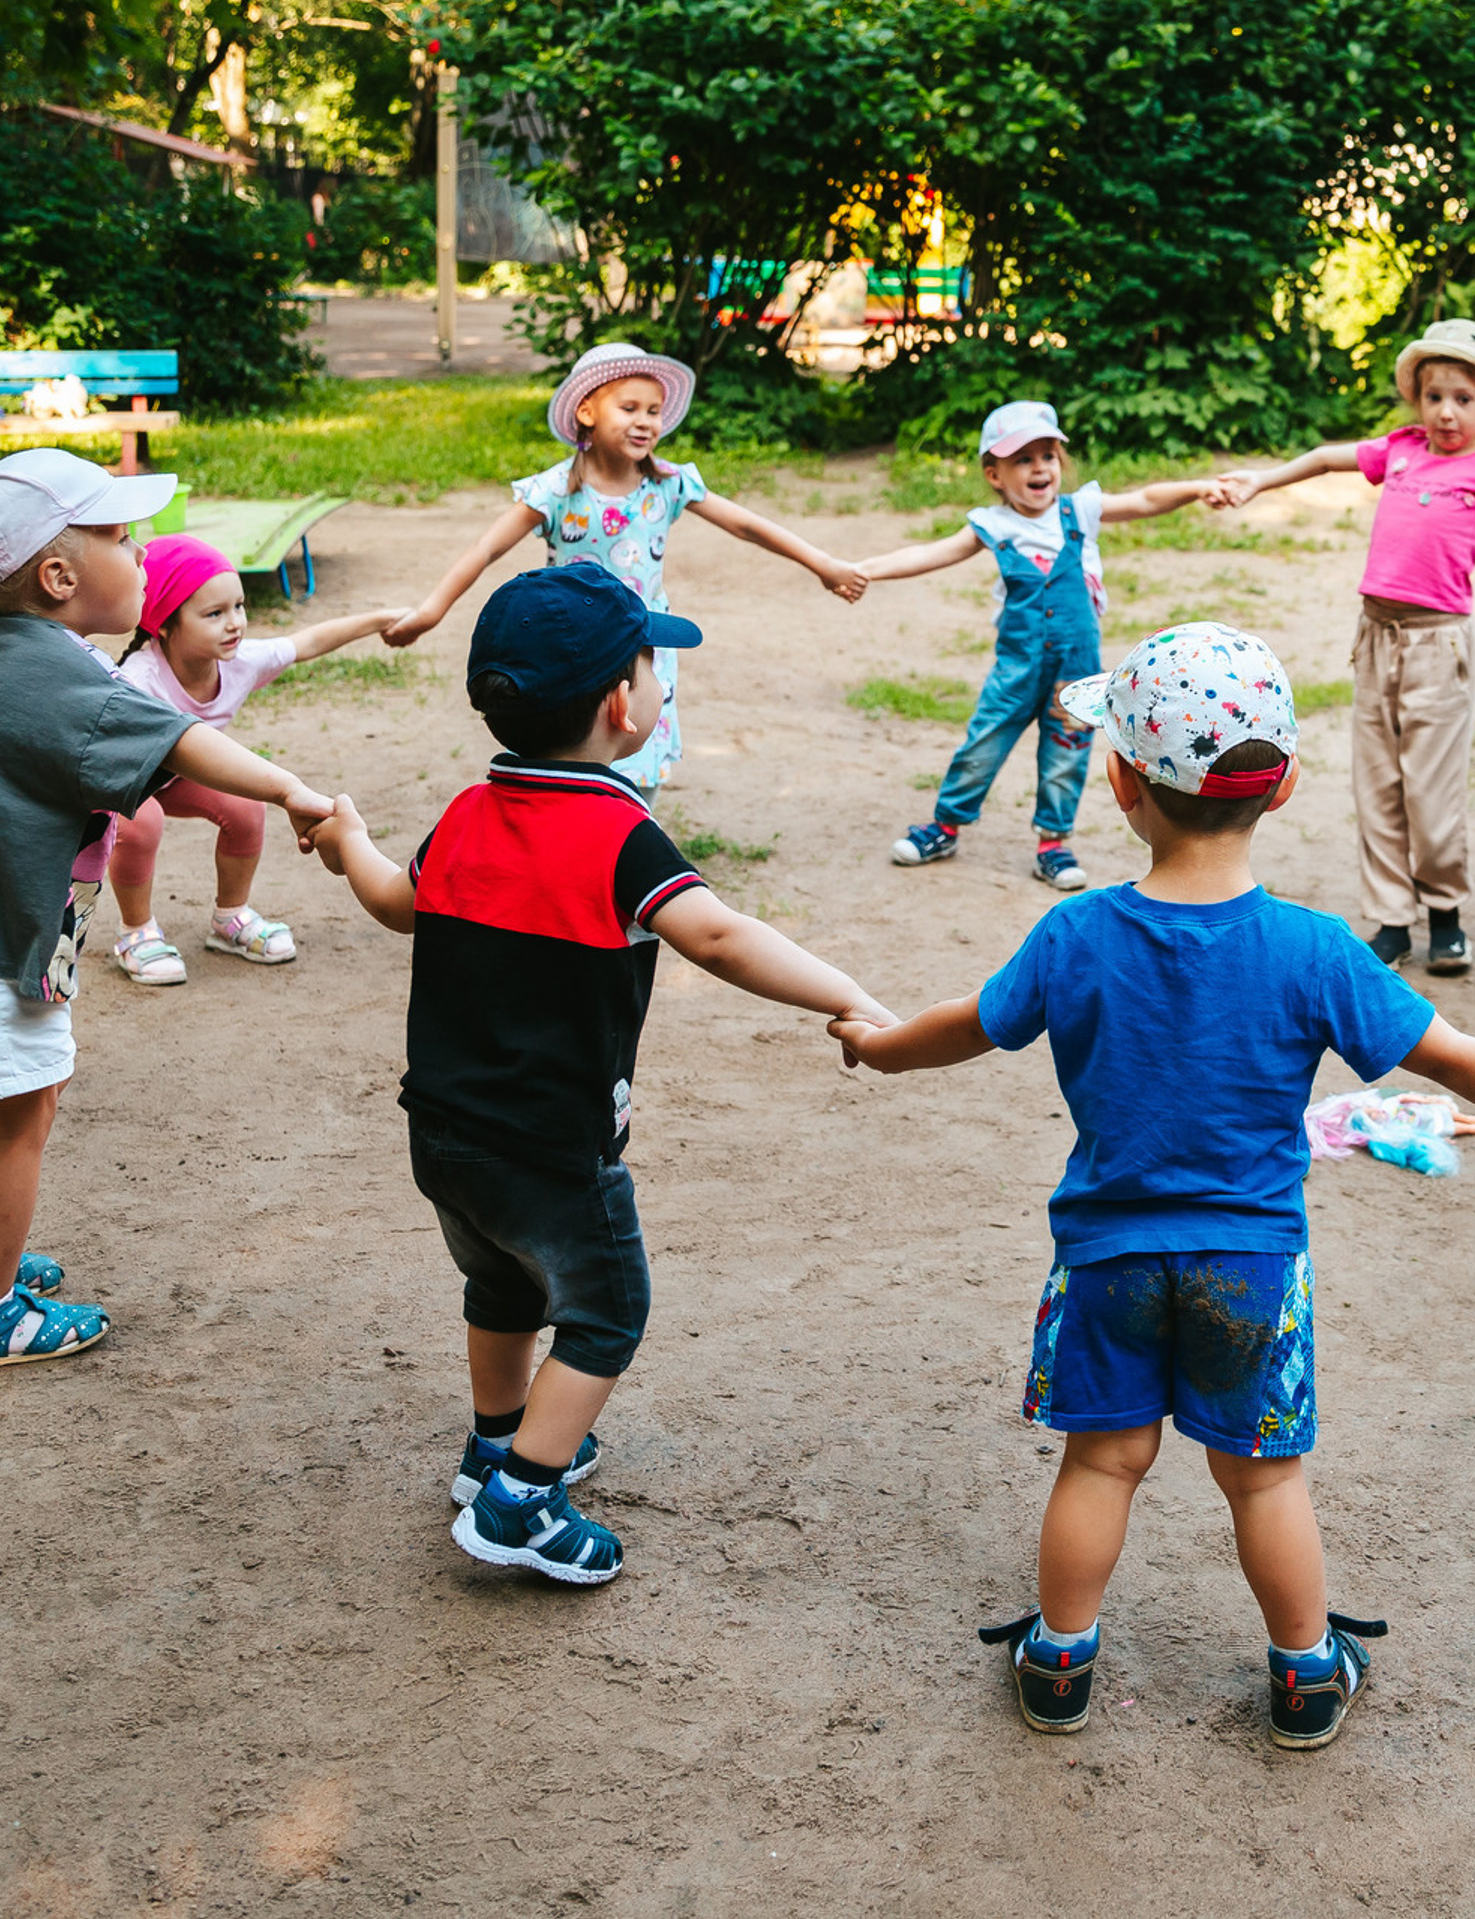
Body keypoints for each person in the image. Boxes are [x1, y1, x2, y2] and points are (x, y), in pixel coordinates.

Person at [834, 622, 1475, 1747]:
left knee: (1102, 1460)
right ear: (1285, 784)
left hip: (1108, 1259)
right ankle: (1305, 1675)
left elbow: (965, 1026)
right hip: (1251, 1265)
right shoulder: (1315, 949)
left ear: (1121, 783)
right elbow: (1451, 1057)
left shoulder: (1075, 934)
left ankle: (1058, 1662)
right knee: (1263, 1480)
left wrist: (877, 1049)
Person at [310, 560, 894, 1586]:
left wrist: (350, 839)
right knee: (606, 1311)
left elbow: (398, 902)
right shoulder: (619, 833)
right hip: (553, 1145)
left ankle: (496, 1442)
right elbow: (718, 936)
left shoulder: (467, 811)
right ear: (623, 705)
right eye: (652, 667)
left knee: (500, 1281)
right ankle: (522, 1499)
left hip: (442, 1130)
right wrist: (847, 995)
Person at [0, 452, 335, 1365]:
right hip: (10, 949)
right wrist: (289, 789)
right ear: (58, 577)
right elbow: (181, 743)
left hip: (20, 929)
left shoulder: (30, 652)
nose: (141, 552)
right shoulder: (45, 668)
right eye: (120, 538)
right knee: (22, 1113)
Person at [1212, 319, 1475, 975]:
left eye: (1463, 399)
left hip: (1438, 646)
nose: (1446, 412)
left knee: (1431, 795)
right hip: (1376, 638)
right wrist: (1260, 481)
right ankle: (1392, 922)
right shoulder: (1399, 451)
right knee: (1377, 784)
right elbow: (1324, 458)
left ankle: (1446, 915)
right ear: (1417, 400)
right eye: (1434, 397)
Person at [387, 342, 867, 801]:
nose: (645, 421)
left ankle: (630, 830)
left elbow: (747, 525)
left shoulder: (668, 484)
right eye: (629, 408)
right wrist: (431, 611)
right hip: (573, 652)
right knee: (568, 752)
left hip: (641, 647)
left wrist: (822, 564)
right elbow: (486, 547)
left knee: (639, 749)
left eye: (653, 411)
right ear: (587, 412)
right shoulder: (555, 491)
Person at [851, 400, 1222, 891]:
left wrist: (1197, 488)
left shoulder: (1080, 511)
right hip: (1016, 669)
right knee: (982, 742)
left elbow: (1146, 499)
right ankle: (944, 827)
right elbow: (931, 553)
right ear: (994, 475)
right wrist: (864, 570)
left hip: (1075, 669)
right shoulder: (994, 525)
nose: (1040, 467)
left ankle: (1052, 844)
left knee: (1067, 752)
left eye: (1047, 455)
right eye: (1022, 459)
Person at [105, 535, 400, 983]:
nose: (235, 624)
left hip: (175, 774)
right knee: (143, 821)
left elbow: (306, 642)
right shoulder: (138, 682)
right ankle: (136, 930)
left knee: (245, 805)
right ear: (163, 624)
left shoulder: (238, 660)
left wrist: (380, 620)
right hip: (121, 781)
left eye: (239, 607)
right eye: (214, 614)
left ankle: (230, 917)